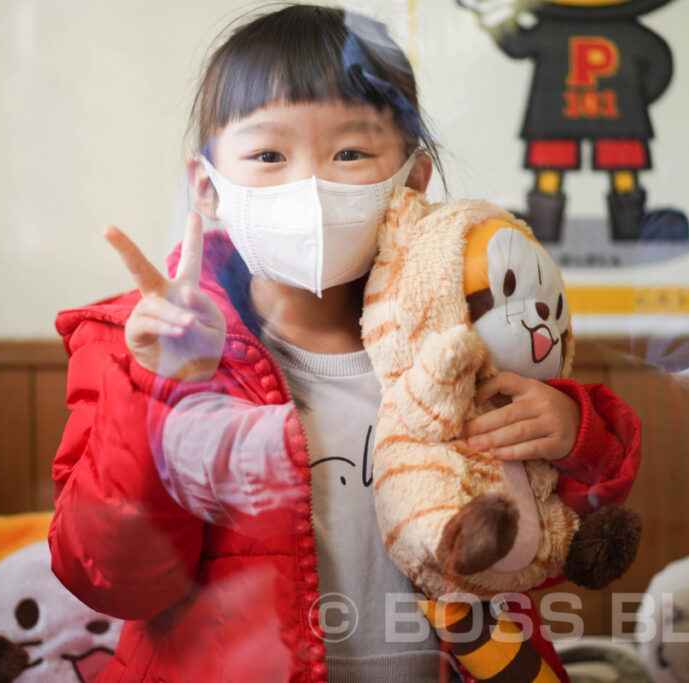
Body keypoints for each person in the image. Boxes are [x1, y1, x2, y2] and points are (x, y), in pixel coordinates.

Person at [48, 5, 641, 682]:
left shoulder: (466, 331)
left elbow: (558, 534)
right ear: (209, 189)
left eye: (351, 153)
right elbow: (114, 577)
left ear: (412, 182)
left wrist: (573, 432)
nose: (311, 185)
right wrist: (161, 389)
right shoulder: (137, 348)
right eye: (269, 154)